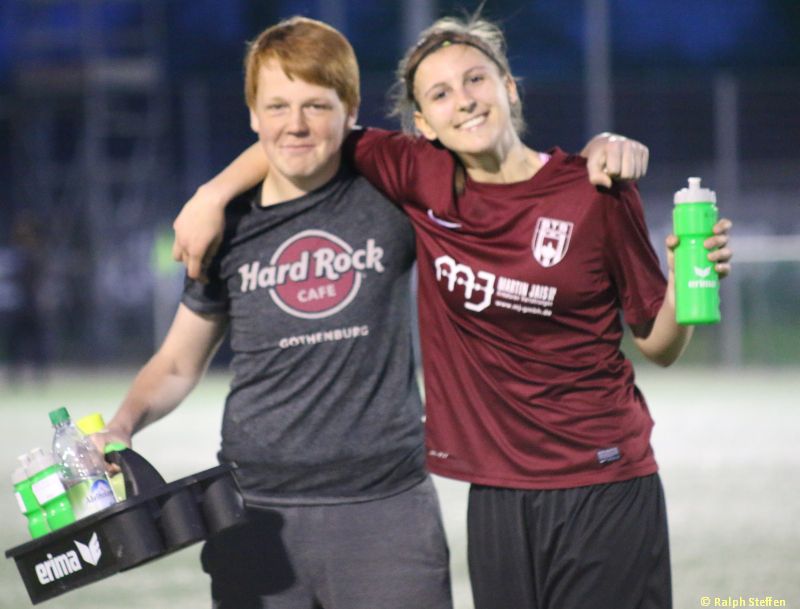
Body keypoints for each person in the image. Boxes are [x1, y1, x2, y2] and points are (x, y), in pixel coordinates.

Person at [168, 15, 690, 609]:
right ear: (423, 123)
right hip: (496, 490)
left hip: (604, 478)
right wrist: (212, 194)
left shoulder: (596, 189)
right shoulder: (418, 174)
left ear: (509, 87)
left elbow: (659, 345)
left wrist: (683, 285)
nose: (463, 100)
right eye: (440, 94)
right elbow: (304, 134)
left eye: (476, 80)